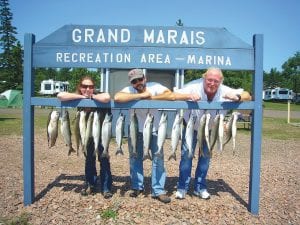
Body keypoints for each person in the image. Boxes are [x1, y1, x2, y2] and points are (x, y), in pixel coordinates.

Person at [173, 67, 251, 199]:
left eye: (216, 81)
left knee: (205, 158)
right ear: (204, 78)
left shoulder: (224, 90)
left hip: (211, 128)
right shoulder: (193, 86)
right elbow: (174, 95)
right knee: (186, 156)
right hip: (191, 126)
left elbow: (248, 95)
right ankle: (182, 187)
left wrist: (236, 96)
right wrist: (188, 96)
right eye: (209, 80)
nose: (212, 83)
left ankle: (200, 187)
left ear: (220, 81)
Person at [114, 68, 175, 203]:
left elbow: (170, 95)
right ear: (131, 83)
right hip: (135, 130)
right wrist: (140, 96)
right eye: (134, 81)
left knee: (158, 160)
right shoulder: (129, 90)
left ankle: (158, 190)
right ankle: (137, 186)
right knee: (135, 158)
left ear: (145, 78)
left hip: (155, 130)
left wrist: (151, 97)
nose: (138, 83)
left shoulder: (155, 87)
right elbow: (117, 97)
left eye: (140, 79)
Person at [57, 76, 113, 199]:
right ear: (80, 87)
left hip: (101, 134)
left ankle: (106, 187)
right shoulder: (78, 97)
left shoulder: (99, 94)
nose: (88, 89)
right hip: (86, 134)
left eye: (91, 87)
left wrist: (91, 96)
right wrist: (82, 97)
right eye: (84, 86)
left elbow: (107, 97)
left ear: (94, 87)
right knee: (89, 160)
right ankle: (90, 185)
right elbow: (60, 96)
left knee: (104, 160)